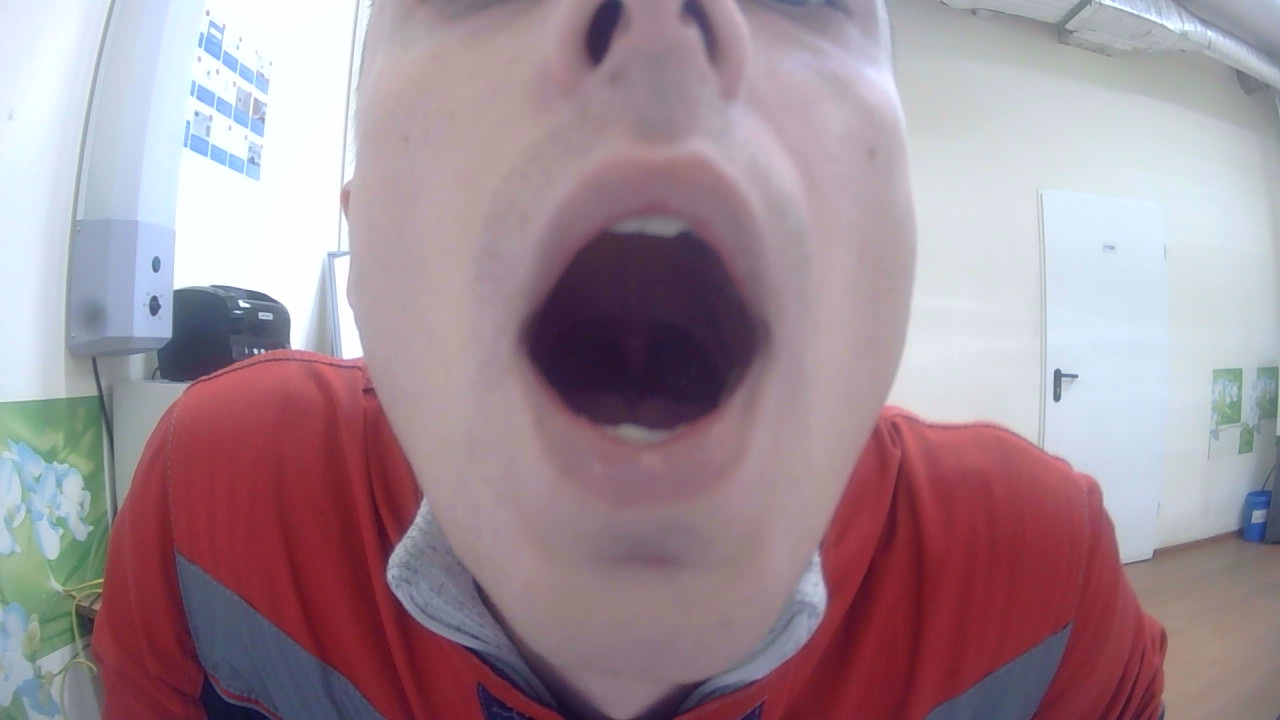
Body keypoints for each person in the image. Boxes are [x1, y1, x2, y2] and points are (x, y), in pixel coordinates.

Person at [94, 1, 1167, 718]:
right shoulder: (211, 512)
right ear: (360, 227)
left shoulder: (1044, 592)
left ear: (897, 228)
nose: (656, 17)